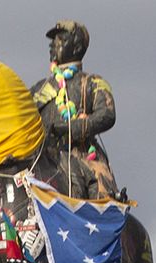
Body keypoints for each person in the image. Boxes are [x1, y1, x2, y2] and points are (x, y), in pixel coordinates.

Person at [30, 20, 119, 199]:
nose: (53, 44)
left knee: (101, 190)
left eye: (60, 39)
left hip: (82, 156)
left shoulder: (93, 83)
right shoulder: (39, 89)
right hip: (44, 158)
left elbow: (107, 114)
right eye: (52, 40)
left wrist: (74, 126)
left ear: (77, 47)